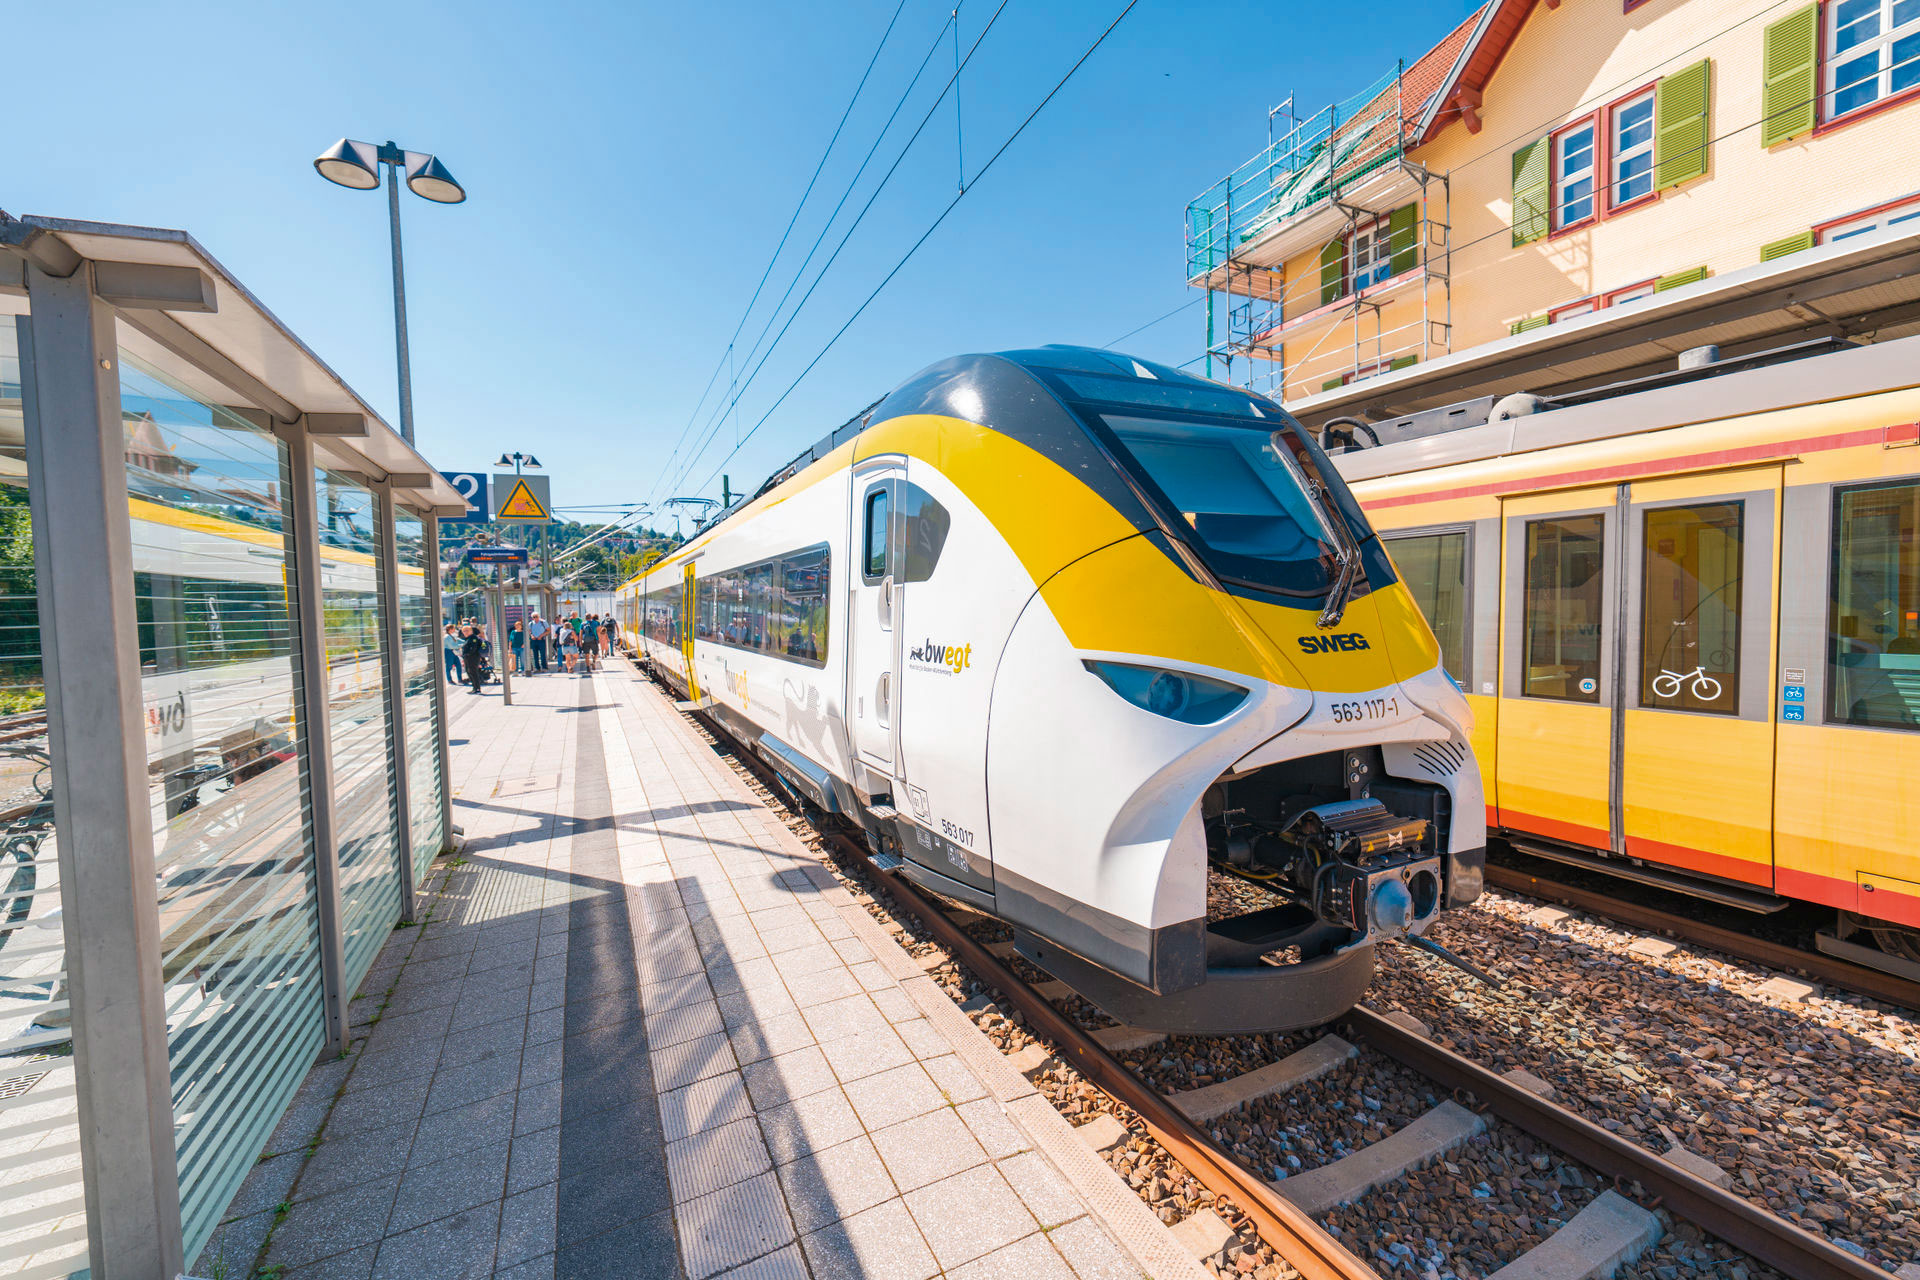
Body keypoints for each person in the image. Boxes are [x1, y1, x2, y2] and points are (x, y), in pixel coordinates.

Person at [462, 624, 488, 695]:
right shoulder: (468, 638)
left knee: (473, 672)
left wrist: (467, 654)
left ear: (471, 631)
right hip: (468, 658)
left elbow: (473, 648)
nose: (465, 632)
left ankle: (477, 688)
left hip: (473, 657)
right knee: (469, 672)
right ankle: (474, 688)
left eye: (467, 630)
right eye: (464, 631)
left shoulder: (473, 638)